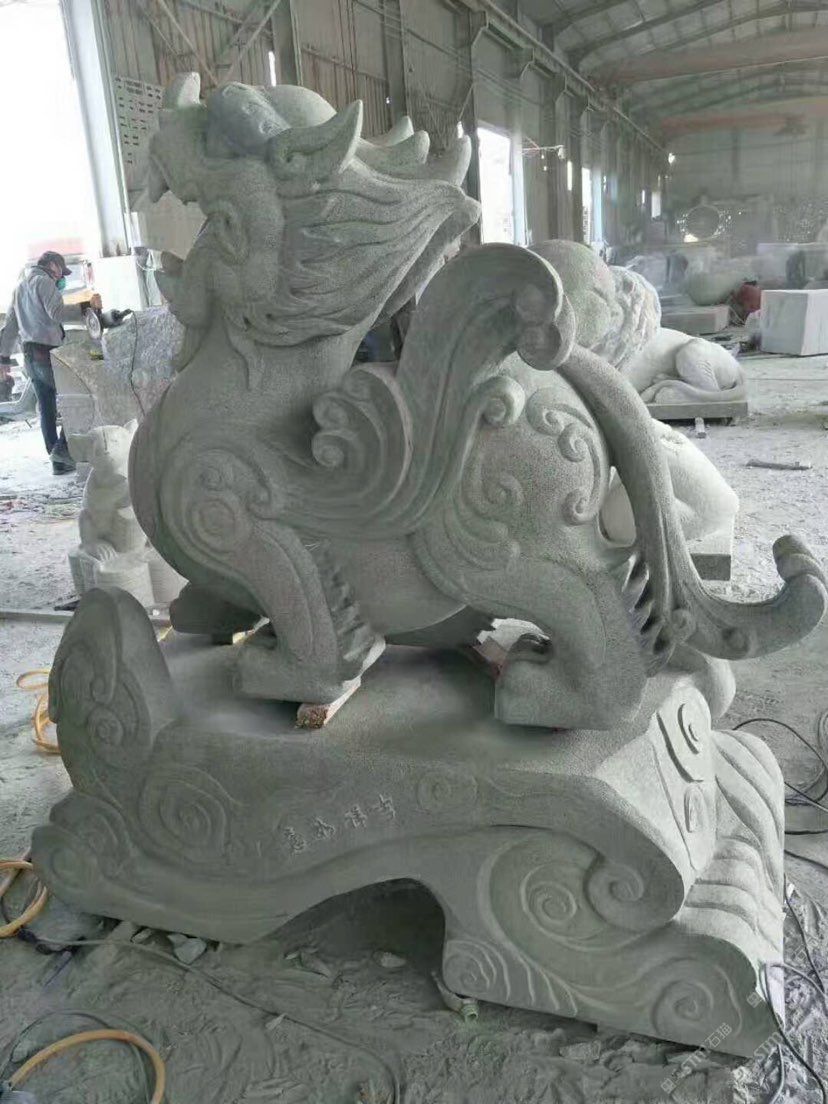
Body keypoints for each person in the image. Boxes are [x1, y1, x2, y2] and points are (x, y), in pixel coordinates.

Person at [0, 250, 75, 473]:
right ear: (52, 265)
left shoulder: (19, 288)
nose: (60, 278)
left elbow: (10, 327)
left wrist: (4, 357)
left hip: (30, 356)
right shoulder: (44, 282)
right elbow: (57, 313)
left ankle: (58, 461)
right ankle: (62, 450)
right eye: (60, 272)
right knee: (73, 399)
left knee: (47, 408)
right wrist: (86, 308)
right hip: (47, 353)